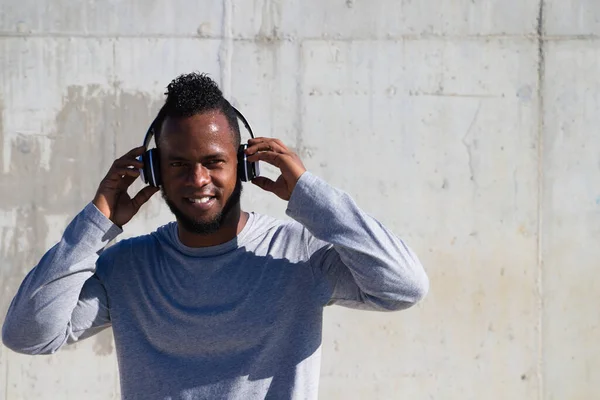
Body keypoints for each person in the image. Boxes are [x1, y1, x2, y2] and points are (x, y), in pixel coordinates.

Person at [2, 72, 429, 399]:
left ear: (243, 164)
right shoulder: (127, 268)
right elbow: (28, 335)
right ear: (153, 171)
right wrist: (97, 224)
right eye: (178, 164)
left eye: (213, 161)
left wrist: (311, 196)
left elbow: (405, 287)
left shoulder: (300, 255)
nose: (197, 178)